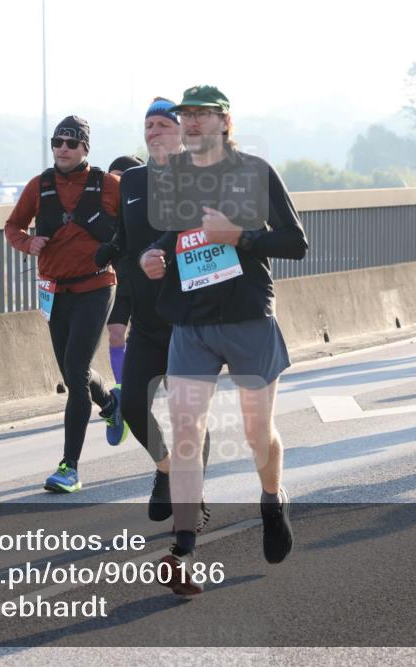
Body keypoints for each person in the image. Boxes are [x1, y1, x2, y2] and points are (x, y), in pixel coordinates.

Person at [139, 85, 308, 596]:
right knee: (186, 428)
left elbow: (295, 242)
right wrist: (155, 257)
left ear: (225, 122)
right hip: (191, 321)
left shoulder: (255, 173)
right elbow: (174, 236)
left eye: (201, 116)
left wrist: (240, 237)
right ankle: (183, 549)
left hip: (247, 316)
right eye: (185, 115)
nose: (190, 123)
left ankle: (272, 500)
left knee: (258, 432)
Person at [95, 100, 212, 524]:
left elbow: (208, 237)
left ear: (182, 132)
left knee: (189, 417)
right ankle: (165, 470)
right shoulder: (133, 181)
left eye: (164, 124)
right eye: (149, 125)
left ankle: (191, 498)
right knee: (132, 408)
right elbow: (126, 236)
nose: (155, 131)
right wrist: (108, 249)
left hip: (188, 320)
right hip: (146, 321)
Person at [3, 115, 126, 493]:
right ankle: (109, 405)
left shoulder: (109, 185)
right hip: (56, 291)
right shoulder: (38, 187)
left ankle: (69, 468)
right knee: (75, 372)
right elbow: (13, 227)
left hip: (97, 286)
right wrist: (28, 243)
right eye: (58, 142)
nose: (63, 149)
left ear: (85, 148)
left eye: (72, 143)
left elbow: (135, 224)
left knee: (74, 372)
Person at [100, 155, 145, 438]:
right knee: (116, 333)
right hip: (121, 283)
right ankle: (122, 397)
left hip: (148, 285)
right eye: (111, 178)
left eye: (121, 179)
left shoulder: (144, 208)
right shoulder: (106, 209)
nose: (115, 185)